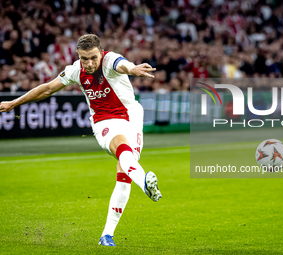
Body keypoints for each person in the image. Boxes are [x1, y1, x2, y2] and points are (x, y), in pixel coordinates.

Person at [0, 34, 162, 247]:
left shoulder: (110, 59)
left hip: (132, 116)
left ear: (100, 52)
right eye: (84, 58)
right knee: (122, 149)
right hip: (104, 121)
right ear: (78, 56)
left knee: (125, 172)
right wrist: (14, 103)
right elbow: (48, 88)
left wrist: (132, 69)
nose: (89, 63)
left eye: (93, 57)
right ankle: (145, 184)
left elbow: (122, 65)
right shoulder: (76, 69)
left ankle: (107, 236)